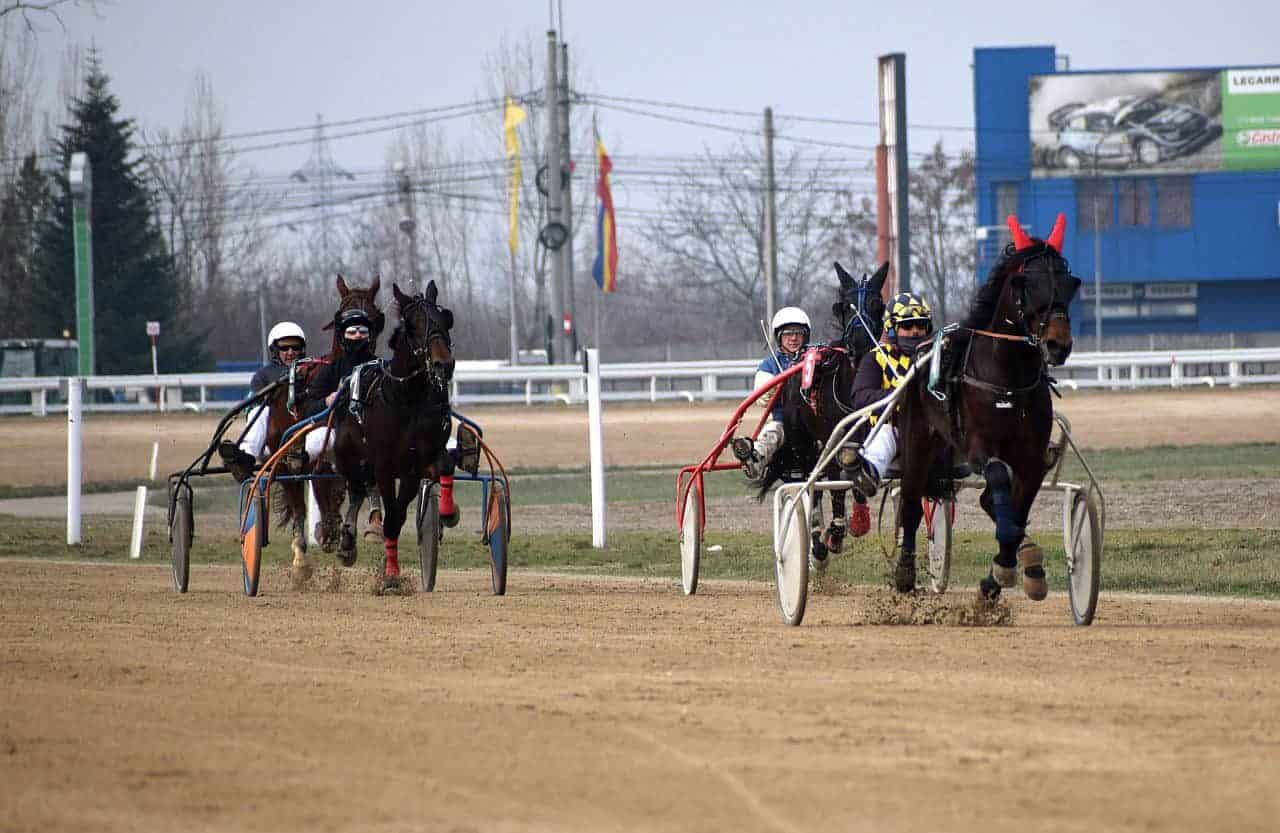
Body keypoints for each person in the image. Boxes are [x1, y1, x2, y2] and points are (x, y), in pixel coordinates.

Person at [296, 307, 384, 537]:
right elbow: (308, 407)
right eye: (352, 331)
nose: (357, 336)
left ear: (370, 336)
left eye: (362, 331)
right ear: (343, 336)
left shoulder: (381, 367)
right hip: (336, 433)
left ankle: (376, 514)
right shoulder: (331, 369)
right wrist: (327, 400)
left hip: (375, 436)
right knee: (314, 444)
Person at [838, 291, 934, 498]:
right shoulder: (876, 359)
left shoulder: (938, 356)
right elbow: (860, 398)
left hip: (934, 430)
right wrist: (898, 395)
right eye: (907, 326)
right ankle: (868, 472)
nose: (915, 332)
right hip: (894, 428)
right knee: (886, 435)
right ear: (892, 329)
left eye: (921, 325)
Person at [218, 321, 308, 483]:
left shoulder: (310, 369)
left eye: (295, 347)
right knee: (260, 411)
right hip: (271, 440)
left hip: (305, 441)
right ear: (275, 350)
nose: (290, 352)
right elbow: (253, 405)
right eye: (284, 348)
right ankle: (245, 457)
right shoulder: (263, 375)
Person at [731, 306, 812, 483]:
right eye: (788, 333)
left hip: (815, 422)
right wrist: (780, 384)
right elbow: (762, 399)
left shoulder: (816, 358)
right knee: (772, 432)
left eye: (798, 333)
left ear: (806, 335)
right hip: (784, 422)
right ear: (779, 337)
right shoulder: (769, 365)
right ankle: (754, 459)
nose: (793, 338)